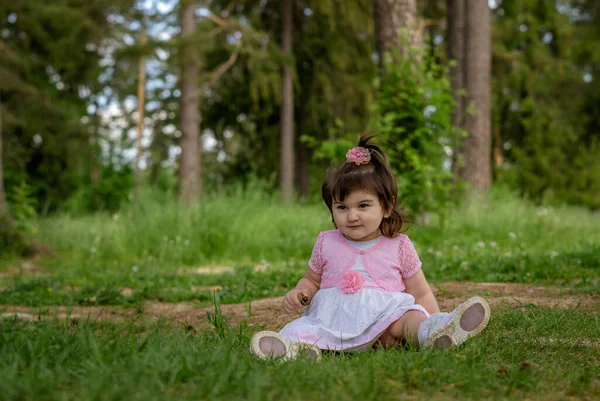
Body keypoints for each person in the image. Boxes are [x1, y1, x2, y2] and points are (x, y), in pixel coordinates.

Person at [249, 134, 490, 360]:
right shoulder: (327, 242)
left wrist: (431, 316)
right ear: (331, 208)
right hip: (333, 319)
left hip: (386, 321)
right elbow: (311, 280)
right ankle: (295, 348)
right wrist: (301, 293)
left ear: (386, 207)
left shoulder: (398, 245)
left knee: (409, 320)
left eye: (363, 206)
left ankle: (436, 331)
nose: (351, 215)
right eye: (342, 207)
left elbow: (421, 292)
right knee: (304, 328)